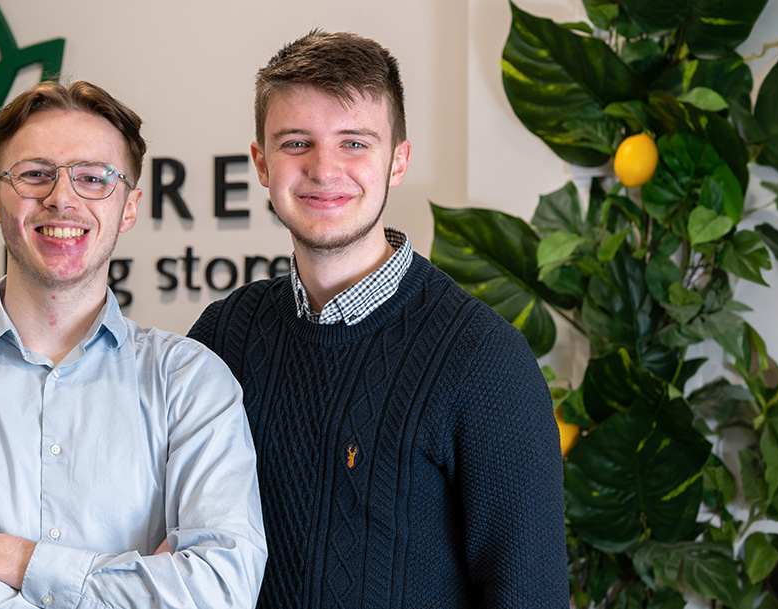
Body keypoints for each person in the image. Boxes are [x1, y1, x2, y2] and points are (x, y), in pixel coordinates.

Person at [0, 80, 266, 609]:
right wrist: (143, 583)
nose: (62, 198)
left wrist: (14, 560)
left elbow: (220, 594)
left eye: (93, 178)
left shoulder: (191, 381)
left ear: (130, 207)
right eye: (34, 174)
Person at [187, 31, 568, 608]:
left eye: (354, 143)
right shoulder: (224, 336)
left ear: (398, 162)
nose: (324, 168)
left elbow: (529, 596)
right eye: (296, 143)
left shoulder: (484, 360)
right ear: (262, 164)